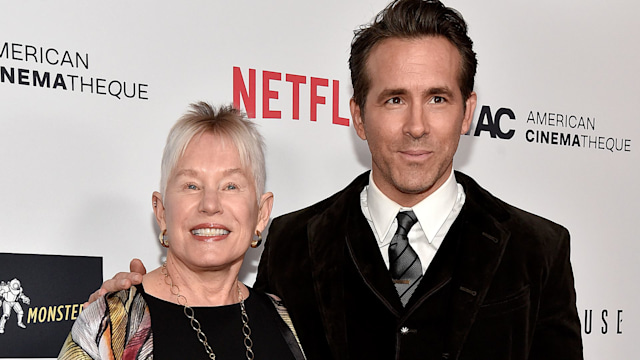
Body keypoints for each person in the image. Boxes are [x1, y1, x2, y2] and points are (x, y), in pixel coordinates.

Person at [90, 1, 583, 359]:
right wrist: (132, 311)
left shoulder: (537, 250)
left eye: (437, 98)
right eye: (393, 99)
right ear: (359, 116)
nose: (416, 125)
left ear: (467, 112)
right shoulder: (293, 241)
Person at [60, 103, 306, 359]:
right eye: (191, 185)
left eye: (231, 186)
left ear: (262, 214)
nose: (210, 204)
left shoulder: (284, 319)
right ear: (162, 212)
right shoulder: (110, 325)